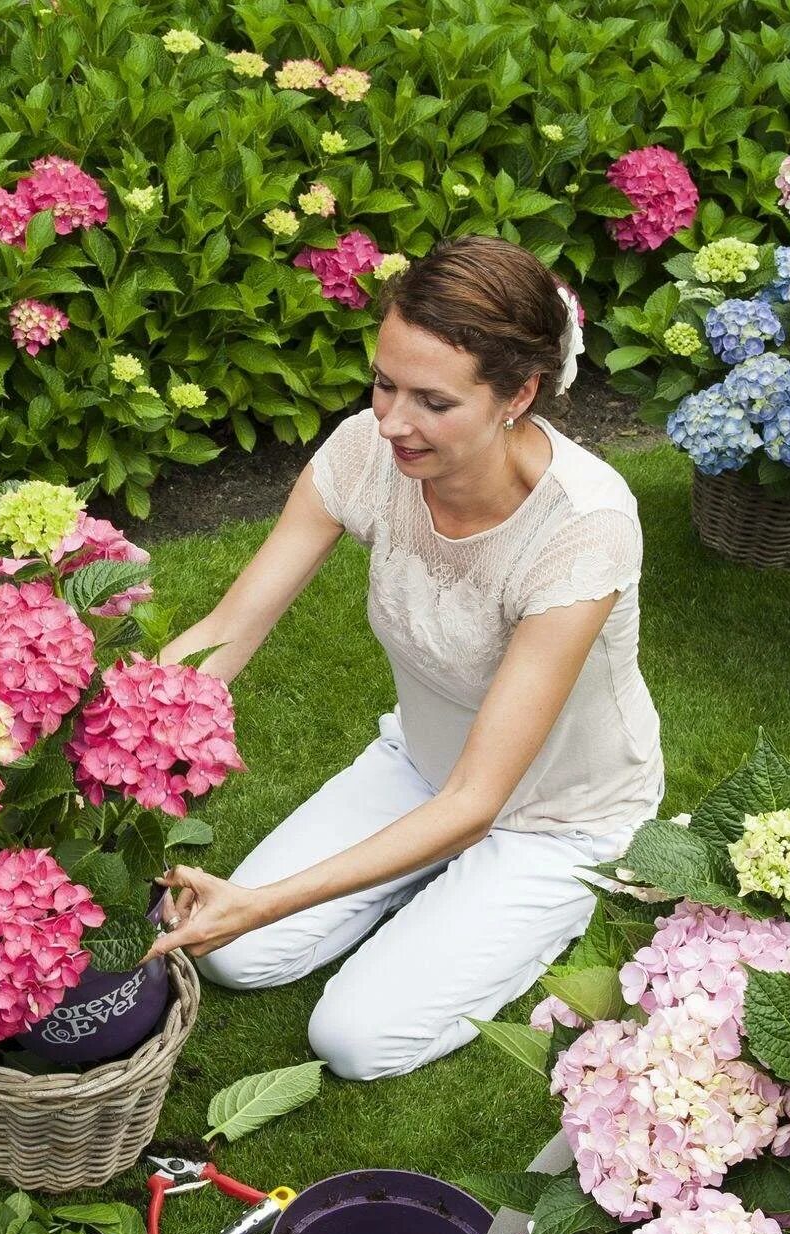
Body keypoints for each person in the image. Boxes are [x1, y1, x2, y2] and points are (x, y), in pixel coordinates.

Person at [145, 235, 663, 1081]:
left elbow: (478, 799)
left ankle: (535, 898)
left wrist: (265, 901)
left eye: (432, 400)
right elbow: (231, 625)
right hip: (423, 765)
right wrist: (111, 736)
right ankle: (421, 877)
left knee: (352, 1040)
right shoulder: (367, 453)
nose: (392, 421)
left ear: (518, 394)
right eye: (385, 384)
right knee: (234, 954)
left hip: (554, 818)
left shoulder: (582, 526)